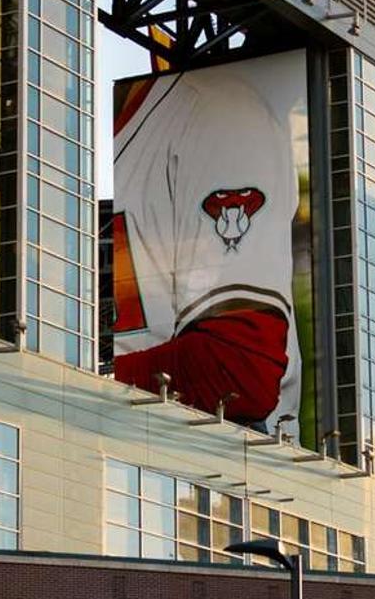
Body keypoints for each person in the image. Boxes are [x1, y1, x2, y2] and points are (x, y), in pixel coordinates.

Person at [110, 56, 303, 431]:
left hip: (233, 462)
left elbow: (237, 368)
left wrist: (83, 376)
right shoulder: (70, 155)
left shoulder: (219, 115)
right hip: (130, 451)